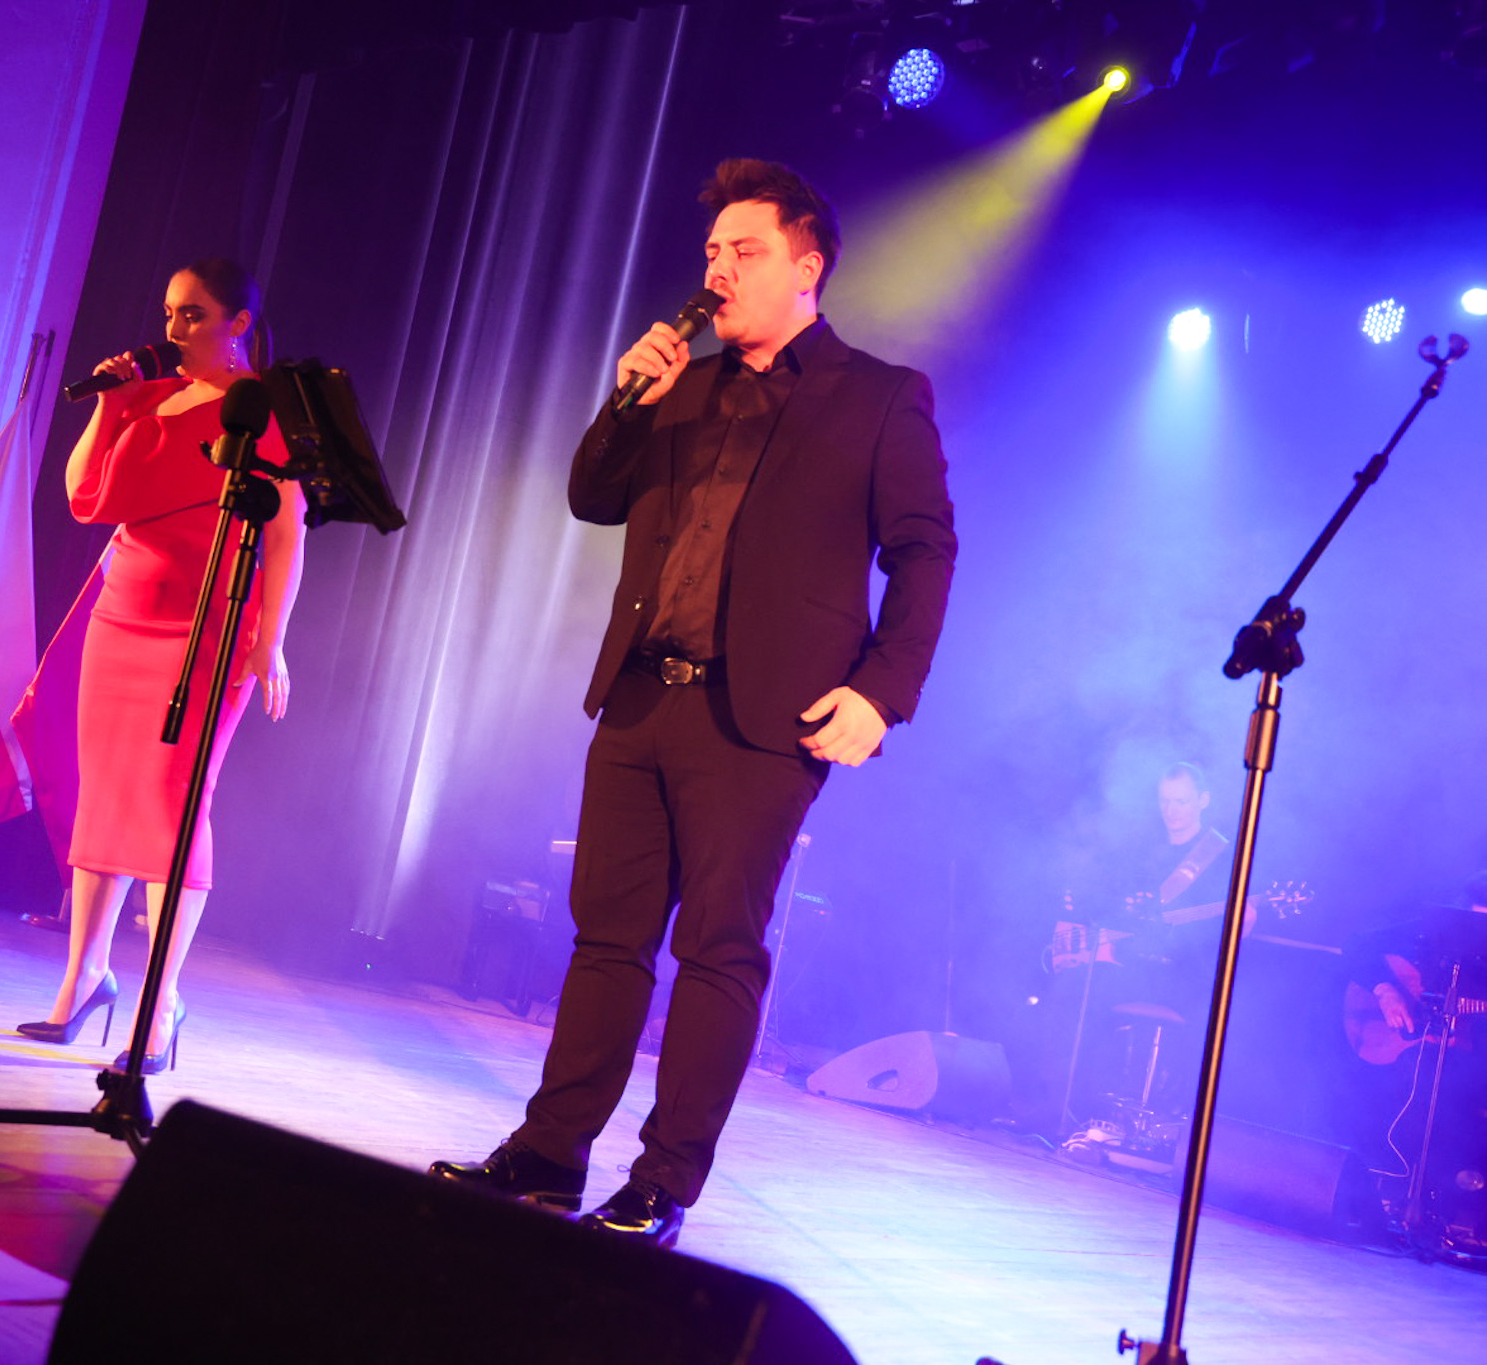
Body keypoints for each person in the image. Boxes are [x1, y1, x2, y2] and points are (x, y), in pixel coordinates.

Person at [429, 158, 956, 1246]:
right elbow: (592, 496)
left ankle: (661, 1182)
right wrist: (627, 402)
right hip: (640, 697)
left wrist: (882, 692)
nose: (717, 269)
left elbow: (924, 552)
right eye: (712, 251)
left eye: (744, 251)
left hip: (760, 725)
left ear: (806, 269)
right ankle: (548, 1154)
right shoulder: (685, 384)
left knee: (719, 949)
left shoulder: (877, 396)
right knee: (604, 938)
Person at [17, 259, 306, 1071]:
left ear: (238, 323)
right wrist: (110, 402)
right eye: (171, 312)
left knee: (173, 807)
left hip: (206, 627)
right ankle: (83, 979)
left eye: (193, 314)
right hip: (122, 618)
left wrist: (272, 636)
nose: (173, 328)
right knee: (105, 797)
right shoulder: (147, 396)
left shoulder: (263, 409)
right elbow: (86, 497)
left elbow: (287, 532)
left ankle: (161, 1002)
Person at [1010, 762, 1235, 1148]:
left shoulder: (1218, 858)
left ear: (1203, 800)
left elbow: (1226, 929)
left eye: (1181, 801)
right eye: (1164, 801)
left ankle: (1069, 1109)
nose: (1171, 810)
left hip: (1177, 974)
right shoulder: (1144, 851)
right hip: (1124, 961)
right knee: (1065, 987)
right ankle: (1050, 1104)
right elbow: (1109, 905)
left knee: (1082, 993)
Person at [1341, 872, 1487, 1251]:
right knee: (1401, 1101)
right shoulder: (1425, 928)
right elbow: (1357, 945)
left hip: (1460, 1060)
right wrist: (1387, 991)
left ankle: (1441, 1212)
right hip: (1402, 1056)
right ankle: (1382, 1197)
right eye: (1474, 919)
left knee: (1454, 1112)